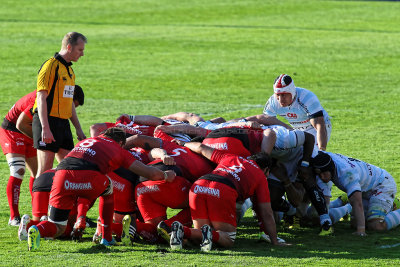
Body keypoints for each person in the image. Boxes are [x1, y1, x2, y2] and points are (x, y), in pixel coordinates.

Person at [26, 127, 176, 251]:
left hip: (61, 174)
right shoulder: (119, 149)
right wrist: (166, 175)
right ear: (121, 143)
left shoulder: (87, 141)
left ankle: (37, 229)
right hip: (90, 175)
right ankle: (106, 237)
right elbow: (150, 173)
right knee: (108, 188)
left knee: (58, 226)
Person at [165, 142, 287, 251]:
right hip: (222, 189)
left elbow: (201, 147)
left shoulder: (231, 157)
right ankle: (189, 231)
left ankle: (181, 230)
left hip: (198, 186)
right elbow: (266, 212)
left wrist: (184, 143)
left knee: (200, 237)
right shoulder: (261, 176)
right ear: (266, 170)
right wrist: (274, 241)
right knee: (228, 239)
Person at [32, 32, 87, 179]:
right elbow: (41, 97)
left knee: (69, 170)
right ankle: (39, 202)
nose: (82, 54)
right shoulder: (51, 66)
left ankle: (58, 202)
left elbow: (69, 103)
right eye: (80, 50)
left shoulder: (69, 70)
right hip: (48, 121)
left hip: (63, 124)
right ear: (69, 47)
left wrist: (78, 129)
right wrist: (45, 128)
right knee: (44, 173)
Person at [311, 151, 400, 236]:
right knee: (354, 224)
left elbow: (357, 203)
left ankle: (393, 203)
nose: (321, 177)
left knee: (376, 225)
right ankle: (390, 205)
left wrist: (361, 231)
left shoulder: (347, 175)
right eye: (319, 174)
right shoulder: (324, 160)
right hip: (365, 189)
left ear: (331, 169)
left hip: (382, 185)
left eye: (324, 174)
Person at [249, 74, 331, 151]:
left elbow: (319, 125)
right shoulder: (273, 102)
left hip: (316, 128)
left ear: (292, 92)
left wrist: (322, 149)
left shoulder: (307, 98)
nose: (280, 99)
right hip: (295, 129)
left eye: (284, 95)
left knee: (313, 154)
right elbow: (267, 123)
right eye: (278, 95)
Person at [0, 91, 37, 226]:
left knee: (38, 173)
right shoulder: (41, 97)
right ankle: (14, 216)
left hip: (29, 129)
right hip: (13, 131)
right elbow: (20, 123)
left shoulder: (56, 96)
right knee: (18, 170)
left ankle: (38, 213)